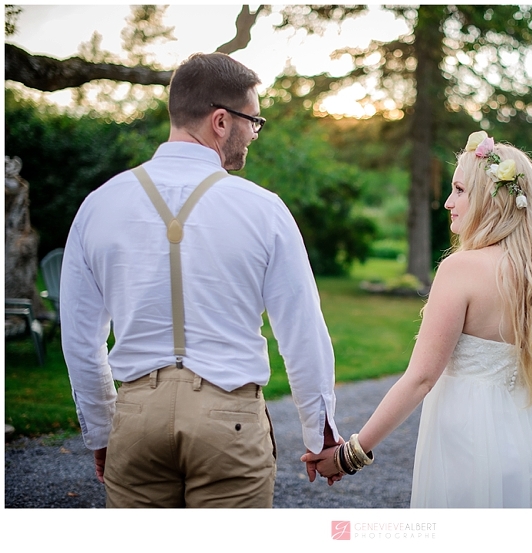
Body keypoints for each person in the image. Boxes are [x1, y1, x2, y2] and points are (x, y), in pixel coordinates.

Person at [60, 52, 340, 508]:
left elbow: (80, 341)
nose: (255, 132)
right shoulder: (263, 209)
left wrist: (101, 430)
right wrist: (321, 434)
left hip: (135, 419)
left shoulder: (99, 205)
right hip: (227, 418)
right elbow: (302, 331)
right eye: (254, 120)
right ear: (221, 121)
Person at [303, 131, 532, 507]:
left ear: (489, 198)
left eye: (460, 190)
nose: (449, 202)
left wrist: (347, 455)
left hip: (471, 448)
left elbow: (420, 379)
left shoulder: (461, 269)